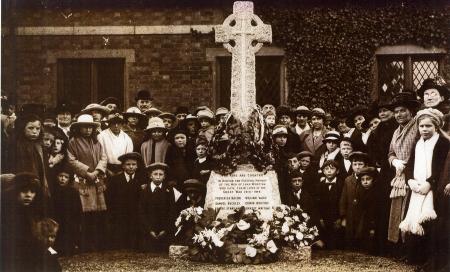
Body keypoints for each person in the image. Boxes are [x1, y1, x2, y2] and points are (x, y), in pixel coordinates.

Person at [400, 108, 450, 268]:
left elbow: (442, 167)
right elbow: (410, 164)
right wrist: (410, 181)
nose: (425, 129)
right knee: (416, 218)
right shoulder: (418, 143)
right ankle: (416, 257)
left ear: (436, 127)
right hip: (417, 187)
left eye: (428, 126)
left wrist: (430, 183)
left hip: (435, 188)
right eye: (422, 126)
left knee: (431, 222)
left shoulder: (443, 143)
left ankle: (431, 260)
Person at [67, 114, 107, 252]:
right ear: (78, 128)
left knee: (95, 213)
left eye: (90, 127)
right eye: (85, 127)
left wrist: (97, 171)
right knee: (83, 212)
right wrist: (87, 171)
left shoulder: (96, 142)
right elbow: (71, 160)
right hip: (83, 180)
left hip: (96, 179)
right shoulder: (73, 142)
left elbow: (103, 157)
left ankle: (95, 242)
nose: (88, 130)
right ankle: (83, 243)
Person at [386, 91, 420, 248]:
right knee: (398, 209)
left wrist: (407, 165)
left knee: (411, 210)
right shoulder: (395, 131)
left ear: (410, 111)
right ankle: (398, 245)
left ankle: (411, 247)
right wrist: (394, 162)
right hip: (398, 175)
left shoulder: (417, 126)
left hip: (414, 174)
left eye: (402, 111)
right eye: (396, 112)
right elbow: (390, 153)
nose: (399, 114)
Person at [6, 114, 51, 208]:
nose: (35, 132)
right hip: (21, 186)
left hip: (37, 184)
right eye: (30, 128)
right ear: (23, 128)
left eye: (38, 128)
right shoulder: (16, 145)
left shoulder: (40, 146)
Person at [1, 173, 44, 271]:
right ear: (15, 191)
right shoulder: (5, 210)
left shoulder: (32, 208)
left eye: (32, 191)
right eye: (24, 191)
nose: (29, 195)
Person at [106, 152, 145, 250]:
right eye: (128, 164)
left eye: (133, 164)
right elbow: (110, 198)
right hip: (120, 213)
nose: (131, 167)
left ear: (137, 166)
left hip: (136, 213)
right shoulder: (115, 180)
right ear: (123, 166)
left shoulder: (142, 179)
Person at [138, 163, 176, 253]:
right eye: (155, 174)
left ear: (164, 176)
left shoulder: (169, 190)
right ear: (150, 176)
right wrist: (149, 230)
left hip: (164, 229)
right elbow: (141, 212)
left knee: (163, 247)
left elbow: (171, 211)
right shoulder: (144, 190)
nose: (158, 177)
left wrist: (165, 230)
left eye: (161, 174)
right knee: (146, 247)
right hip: (148, 229)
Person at [339, 151, 370, 249]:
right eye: (355, 164)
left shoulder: (368, 179)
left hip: (363, 214)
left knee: (362, 237)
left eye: (360, 164)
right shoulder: (348, 180)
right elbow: (343, 199)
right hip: (350, 214)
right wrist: (343, 216)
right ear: (351, 166)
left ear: (365, 165)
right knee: (350, 241)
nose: (357, 167)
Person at [315, 160, 344, 249]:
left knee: (338, 243)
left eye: (332, 169)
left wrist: (341, 218)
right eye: (326, 169)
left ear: (337, 171)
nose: (329, 171)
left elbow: (343, 202)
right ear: (323, 171)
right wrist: (320, 218)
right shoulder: (319, 185)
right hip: (324, 219)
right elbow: (317, 204)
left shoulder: (342, 184)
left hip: (337, 218)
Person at [52, 167, 82, 256]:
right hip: (57, 219)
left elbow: (78, 208)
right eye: (60, 176)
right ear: (56, 177)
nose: (63, 179)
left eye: (66, 177)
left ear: (69, 179)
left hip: (70, 221)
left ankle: (70, 247)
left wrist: (77, 221)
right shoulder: (53, 191)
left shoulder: (73, 192)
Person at [97, 111, 134, 176]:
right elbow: (99, 155)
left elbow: (128, 156)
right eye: (114, 123)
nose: (116, 126)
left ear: (122, 124)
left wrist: (123, 170)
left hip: (122, 169)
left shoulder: (127, 138)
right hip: (107, 168)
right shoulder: (101, 136)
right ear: (109, 124)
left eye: (119, 123)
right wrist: (106, 169)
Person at [354, 167, 378, 253]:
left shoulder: (376, 193)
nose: (365, 182)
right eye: (363, 179)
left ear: (373, 179)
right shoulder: (359, 192)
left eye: (368, 179)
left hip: (373, 219)